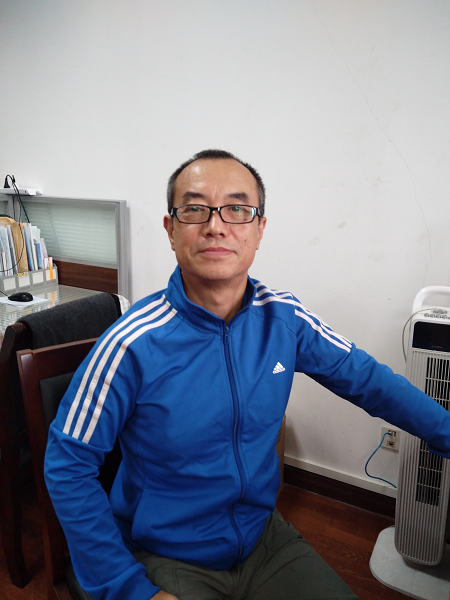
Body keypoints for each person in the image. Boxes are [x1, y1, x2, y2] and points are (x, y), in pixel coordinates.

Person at [45, 149, 450, 600]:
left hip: (262, 538)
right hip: (166, 553)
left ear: (259, 229)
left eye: (237, 210)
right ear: (171, 230)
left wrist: (445, 431)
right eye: (195, 209)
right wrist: (127, 588)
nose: (216, 226)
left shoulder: (284, 318)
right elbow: (67, 464)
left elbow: (369, 380)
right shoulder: (130, 344)